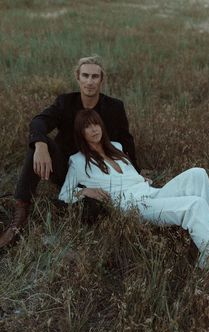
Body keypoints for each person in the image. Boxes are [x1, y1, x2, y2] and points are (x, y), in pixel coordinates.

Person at [59, 109, 209, 289]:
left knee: (198, 173)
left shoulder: (116, 147)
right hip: (132, 204)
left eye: (95, 123)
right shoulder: (78, 161)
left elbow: (130, 173)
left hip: (149, 191)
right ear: (81, 132)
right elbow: (64, 194)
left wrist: (139, 178)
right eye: (87, 127)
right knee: (195, 205)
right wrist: (85, 191)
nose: (94, 129)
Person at [0, 55, 139, 248]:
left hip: (99, 174)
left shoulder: (114, 107)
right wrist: (40, 145)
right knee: (38, 145)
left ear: (101, 80)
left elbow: (126, 140)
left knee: (94, 212)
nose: (90, 81)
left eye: (94, 77)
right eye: (85, 75)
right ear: (78, 77)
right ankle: (20, 215)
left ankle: (60, 206)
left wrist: (137, 174)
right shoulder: (65, 102)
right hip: (66, 168)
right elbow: (39, 121)